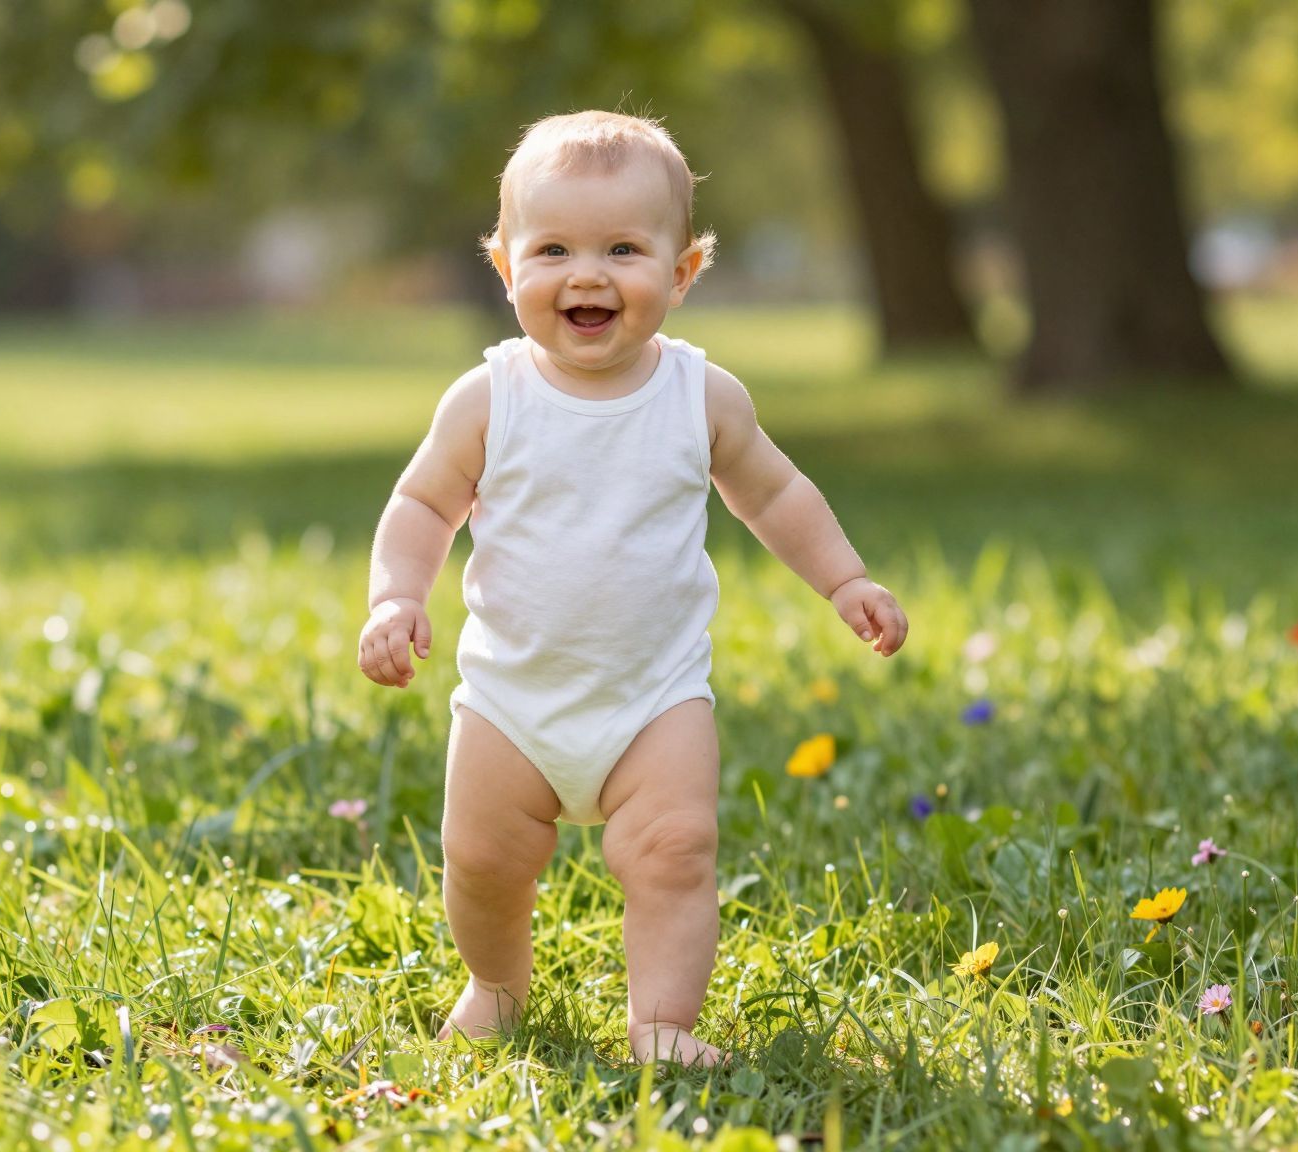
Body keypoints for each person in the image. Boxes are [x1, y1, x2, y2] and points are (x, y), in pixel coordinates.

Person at [358, 110, 908, 1066]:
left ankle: (662, 1023)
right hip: (510, 700)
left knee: (677, 853)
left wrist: (844, 578)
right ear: (506, 268)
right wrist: (397, 596)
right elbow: (421, 504)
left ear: (683, 272)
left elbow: (775, 493)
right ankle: (495, 986)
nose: (587, 274)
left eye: (623, 248)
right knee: (483, 861)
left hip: (654, 699)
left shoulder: (702, 397)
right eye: (554, 249)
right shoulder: (489, 399)